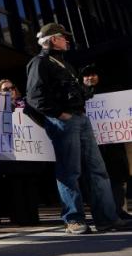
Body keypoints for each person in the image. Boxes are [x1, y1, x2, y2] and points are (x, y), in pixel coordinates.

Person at [26, 23, 130, 234]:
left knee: (98, 170)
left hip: (81, 119)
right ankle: (73, 219)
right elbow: (34, 98)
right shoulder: (40, 63)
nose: (68, 41)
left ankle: (107, 219)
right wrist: (59, 114)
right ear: (53, 39)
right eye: (64, 37)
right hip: (63, 121)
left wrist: (86, 91)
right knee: (69, 171)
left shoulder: (65, 64)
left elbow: (74, 92)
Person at [79, 64, 131, 220]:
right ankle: (103, 213)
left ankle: (120, 210)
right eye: (86, 76)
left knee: (118, 178)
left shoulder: (113, 91)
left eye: (93, 74)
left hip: (114, 144)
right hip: (92, 145)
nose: (90, 78)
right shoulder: (78, 95)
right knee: (97, 180)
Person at [0, 79, 43, 226]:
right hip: (10, 154)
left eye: (12, 87)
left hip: (28, 153)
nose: (10, 91)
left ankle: (33, 217)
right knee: (15, 187)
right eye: (5, 89)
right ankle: (19, 218)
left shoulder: (27, 104)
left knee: (30, 185)